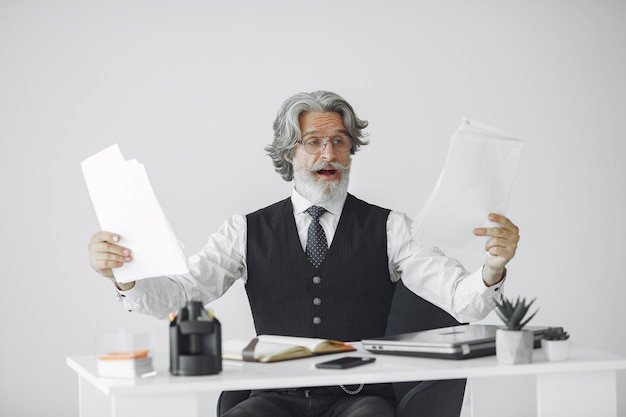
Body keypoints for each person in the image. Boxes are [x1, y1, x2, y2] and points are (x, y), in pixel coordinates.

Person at [88, 90, 519, 417]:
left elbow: (464, 299)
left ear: (351, 151)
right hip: (274, 398)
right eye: (313, 142)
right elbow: (182, 293)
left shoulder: (392, 228)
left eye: (339, 142)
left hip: (360, 399)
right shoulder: (244, 230)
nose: (327, 154)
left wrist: (493, 267)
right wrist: (126, 276)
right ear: (289, 152)